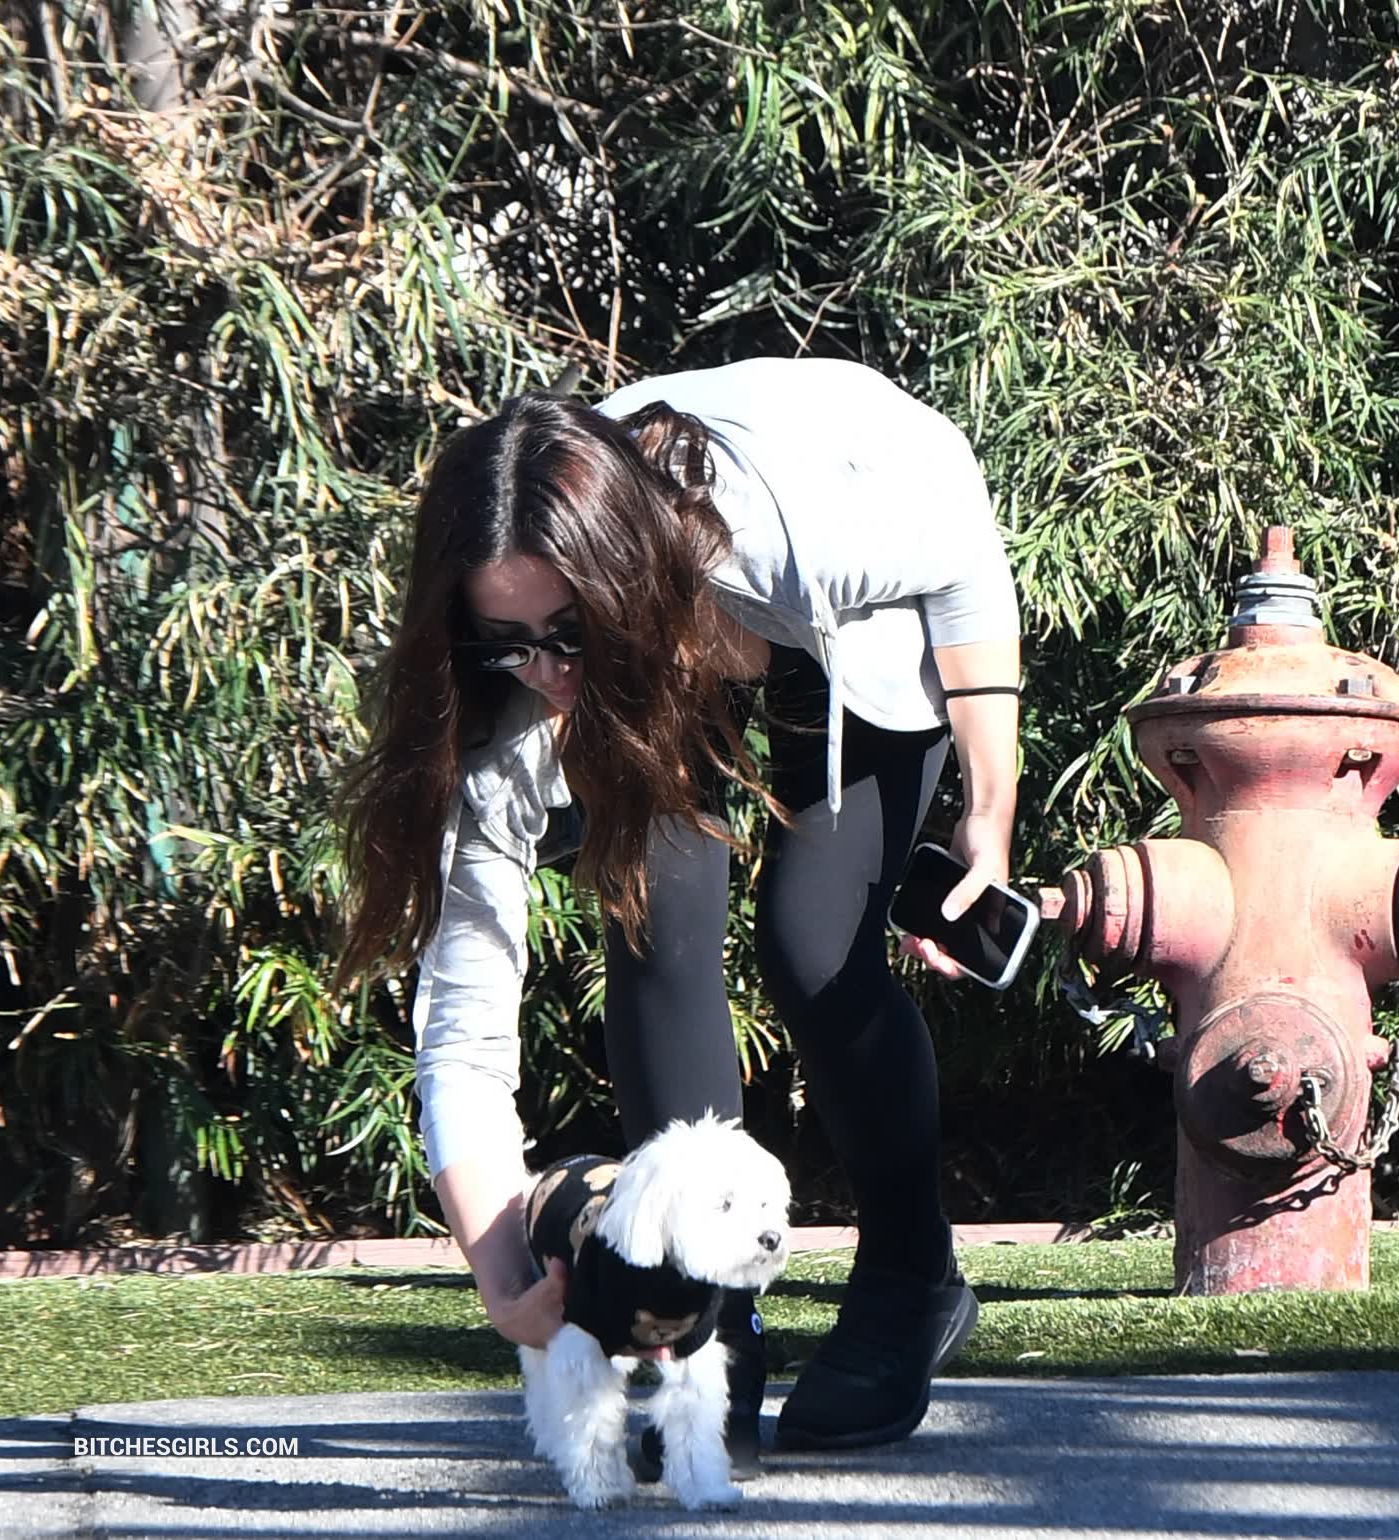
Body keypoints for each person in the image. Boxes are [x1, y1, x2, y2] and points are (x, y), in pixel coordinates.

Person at [335, 356, 1022, 1463]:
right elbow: (461, 1035)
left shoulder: (805, 529)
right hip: (659, 658)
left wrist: (989, 807)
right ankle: (708, 1324)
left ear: (617, 581)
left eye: (565, 631)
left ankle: (911, 1274)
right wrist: (504, 1282)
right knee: (655, 921)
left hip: (847, 622)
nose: (544, 673)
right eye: (508, 640)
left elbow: (961, 557)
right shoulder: (506, 699)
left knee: (812, 941)